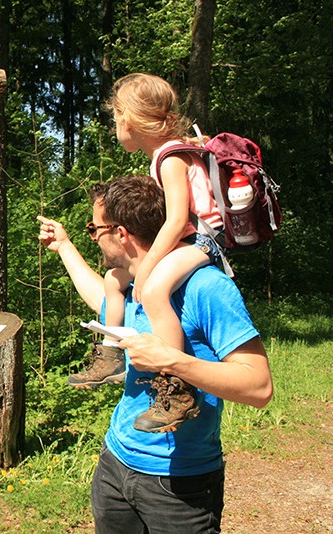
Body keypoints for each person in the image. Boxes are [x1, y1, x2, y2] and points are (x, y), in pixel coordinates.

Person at [37, 175, 272, 533]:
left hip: (179, 485)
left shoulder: (205, 288)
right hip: (115, 464)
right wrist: (66, 246)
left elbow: (259, 387)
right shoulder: (131, 285)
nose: (93, 237)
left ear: (121, 234)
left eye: (94, 229)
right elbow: (100, 298)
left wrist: (172, 360)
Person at [68, 73, 225, 434]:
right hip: (188, 239)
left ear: (129, 118)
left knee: (152, 291)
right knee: (113, 278)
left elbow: (176, 221)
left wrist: (150, 264)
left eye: (115, 118)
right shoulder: (167, 154)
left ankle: (178, 387)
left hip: (203, 240)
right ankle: (110, 353)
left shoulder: (169, 158)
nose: (114, 127)